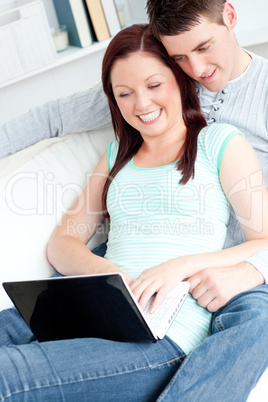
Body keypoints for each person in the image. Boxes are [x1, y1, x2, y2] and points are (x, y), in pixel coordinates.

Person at [1, 23, 268, 401]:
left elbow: (263, 240)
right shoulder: (115, 157)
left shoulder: (219, 143)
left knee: (8, 376)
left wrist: (181, 266)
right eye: (125, 94)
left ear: (180, 81)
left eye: (154, 86)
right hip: (98, 310)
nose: (141, 104)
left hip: (162, 336)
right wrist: (112, 277)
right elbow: (63, 241)